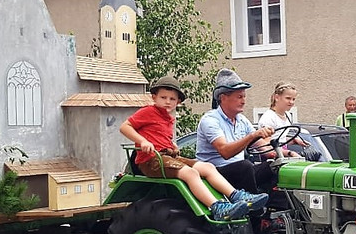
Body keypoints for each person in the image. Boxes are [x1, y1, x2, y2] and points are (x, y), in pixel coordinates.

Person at [120, 76, 259, 221]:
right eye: (163, 97)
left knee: (208, 167)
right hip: (151, 160)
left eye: (172, 99)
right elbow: (125, 127)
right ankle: (216, 207)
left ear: (178, 102)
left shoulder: (168, 118)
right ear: (154, 97)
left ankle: (236, 196)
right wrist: (142, 141)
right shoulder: (148, 111)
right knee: (190, 173)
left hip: (167, 157)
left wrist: (171, 145)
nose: (167, 101)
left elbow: (157, 134)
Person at [195, 68, 273, 211]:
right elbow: (225, 151)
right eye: (239, 97)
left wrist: (287, 152)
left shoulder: (242, 120)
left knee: (274, 167)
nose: (243, 101)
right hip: (215, 172)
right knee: (245, 166)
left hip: (239, 171)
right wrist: (252, 136)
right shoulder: (210, 120)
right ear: (223, 97)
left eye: (244, 96)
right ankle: (256, 217)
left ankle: (278, 213)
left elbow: (263, 147)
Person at [257, 82, 308, 158]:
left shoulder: (288, 115)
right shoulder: (269, 118)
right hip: (272, 160)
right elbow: (267, 147)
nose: (291, 102)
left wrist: (294, 141)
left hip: (283, 156)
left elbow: (280, 139)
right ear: (276, 97)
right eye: (288, 98)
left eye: (293, 99)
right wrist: (290, 153)